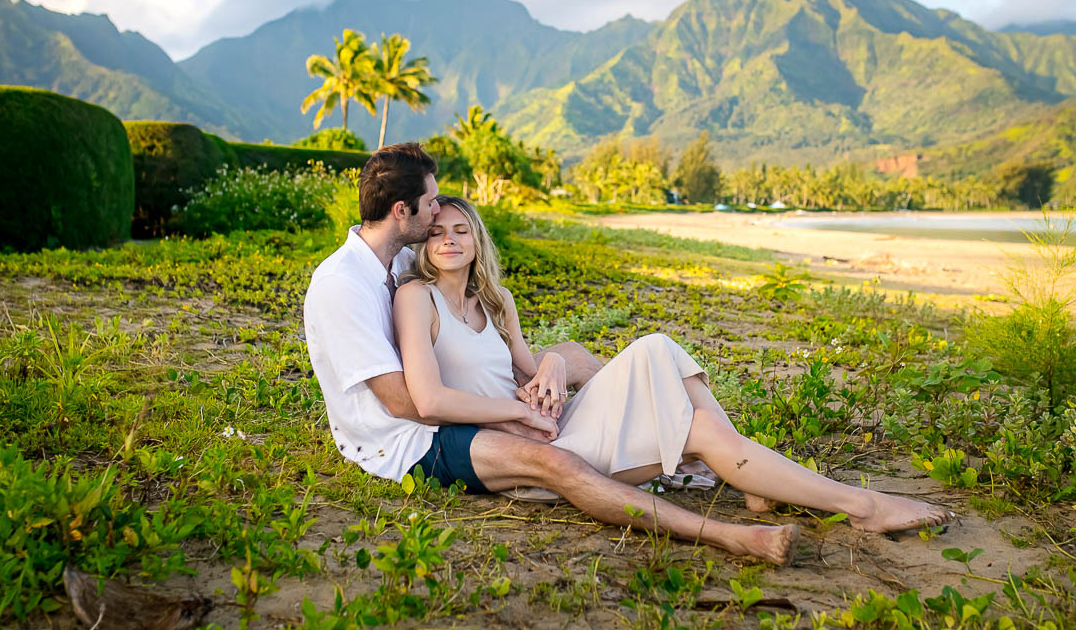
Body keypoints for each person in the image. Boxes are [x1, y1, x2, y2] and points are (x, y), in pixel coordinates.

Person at [304, 144, 949, 567]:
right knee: (628, 442)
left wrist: (551, 371)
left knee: (658, 353)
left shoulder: (452, 290)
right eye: (433, 218)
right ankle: (829, 508)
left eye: (459, 227)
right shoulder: (370, 287)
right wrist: (520, 415)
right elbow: (412, 402)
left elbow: (526, 361)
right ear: (404, 213)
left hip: (507, 417)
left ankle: (756, 479)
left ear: (476, 241)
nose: (443, 230)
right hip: (416, 443)